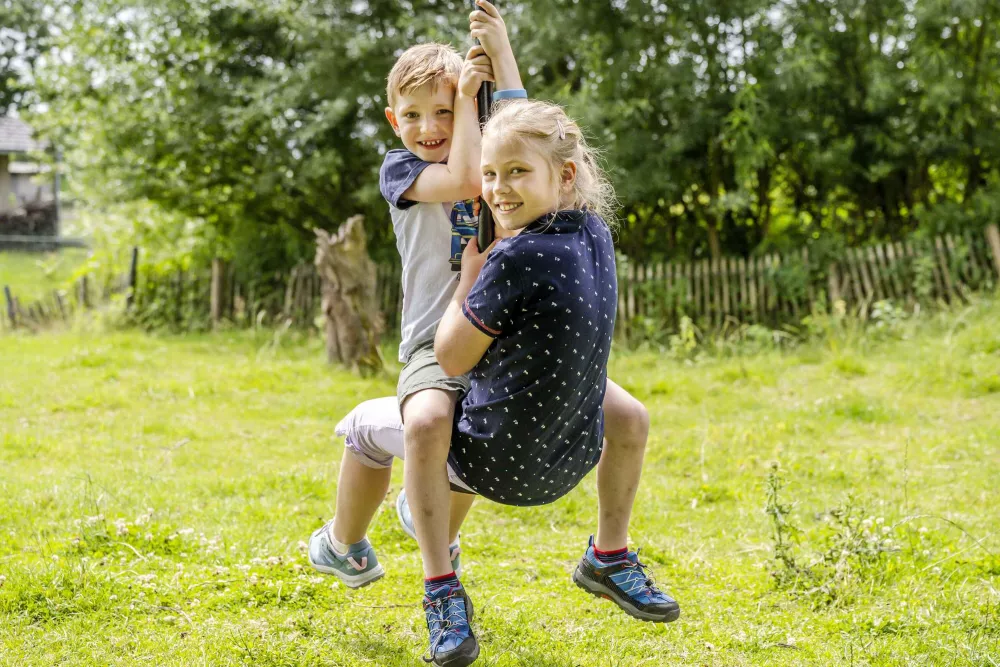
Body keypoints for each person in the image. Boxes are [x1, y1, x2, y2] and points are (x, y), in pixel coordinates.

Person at [323, 99, 680, 667]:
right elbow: (531, 134)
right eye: (490, 174)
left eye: (514, 173)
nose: (495, 188)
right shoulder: (592, 231)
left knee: (393, 432)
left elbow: (455, 357)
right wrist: (488, 72)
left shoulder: (514, 256)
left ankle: (437, 577)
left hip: (496, 445)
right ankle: (604, 553)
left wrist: (469, 280)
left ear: (564, 176)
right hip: (552, 440)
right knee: (626, 417)